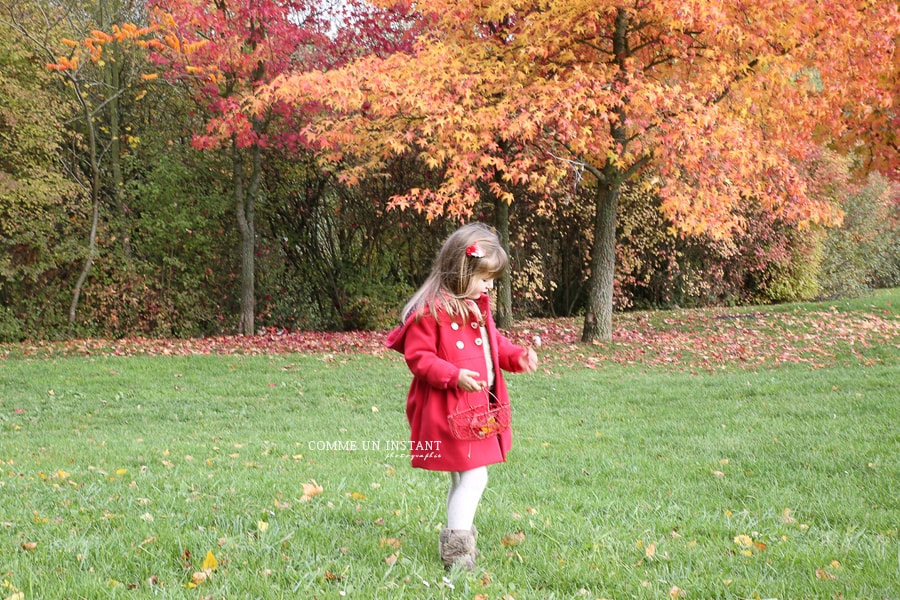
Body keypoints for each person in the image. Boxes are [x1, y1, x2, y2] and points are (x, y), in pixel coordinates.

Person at [385, 223, 538, 571]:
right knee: (473, 476)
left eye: (492, 280)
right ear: (462, 269)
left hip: (475, 410)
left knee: (463, 476)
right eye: (485, 278)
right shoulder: (431, 311)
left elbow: (494, 344)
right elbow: (419, 358)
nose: (489, 286)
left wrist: (516, 357)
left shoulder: (476, 306)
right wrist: (453, 376)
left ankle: (455, 542)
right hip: (445, 409)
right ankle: (457, 550)